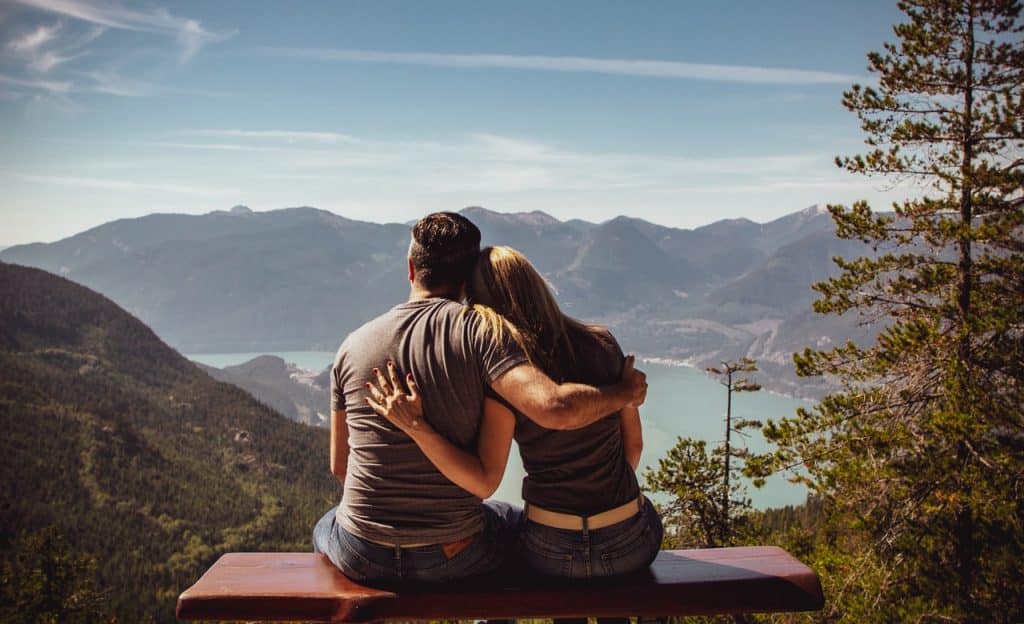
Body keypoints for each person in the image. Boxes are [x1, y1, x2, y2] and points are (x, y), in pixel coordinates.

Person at [313, 213, 648, 587]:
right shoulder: (482, 334)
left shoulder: (350, 346)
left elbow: (341, 467)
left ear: (410, 268)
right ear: (467, 278)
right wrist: (625, 393)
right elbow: (549, 413)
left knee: (326, 524)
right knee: (507, 520)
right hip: (455, 553)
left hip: (363, 553)